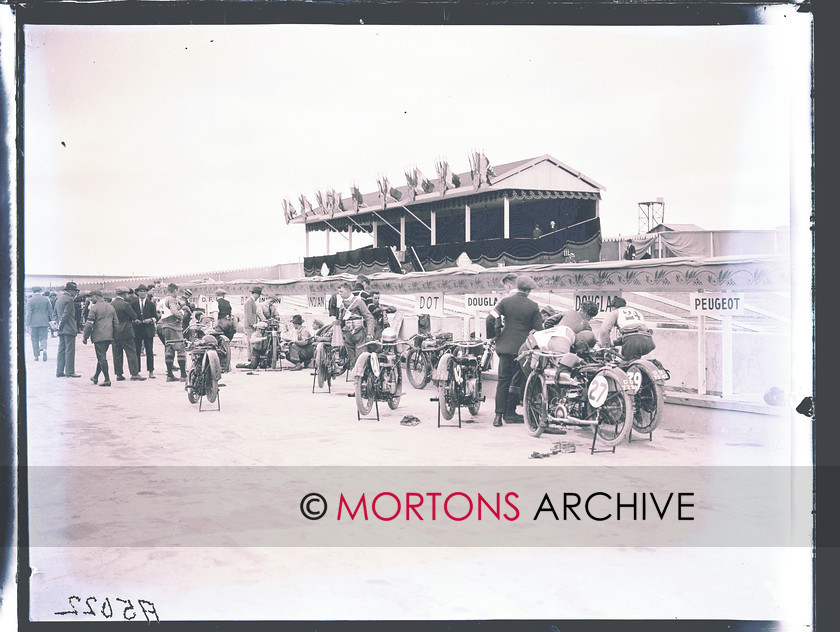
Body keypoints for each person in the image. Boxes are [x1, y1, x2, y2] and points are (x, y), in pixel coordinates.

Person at [486, 275, 543, 427]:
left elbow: (490, 319)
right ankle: (513, 413)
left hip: (505, 348)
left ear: (517, 287)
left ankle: (498, 417)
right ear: (529, 290)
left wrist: (493, 336)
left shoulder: (505, 302)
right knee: (519, 381)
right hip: (523, 350)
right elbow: (539, 330)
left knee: (503, 381)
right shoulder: (533, 306)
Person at [597, 297, 656, 361]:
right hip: (648, 341)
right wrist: (614, 342)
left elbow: (604, 331)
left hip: (632, 342)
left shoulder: (616, 312)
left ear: (613, 307)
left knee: (626, 365)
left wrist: (606, 348)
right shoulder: (636, 312)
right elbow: (634, 331)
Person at [82, 289, 118, 387]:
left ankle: (107, 379)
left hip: (98, 336)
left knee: (101, 357)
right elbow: (116, 323)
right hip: (109, 336)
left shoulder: (94, 308)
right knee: (102, 356)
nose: (90, 298)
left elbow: (89, 324)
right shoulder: (111, 307)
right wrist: (114, 336)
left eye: (91, 296)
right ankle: (96, 376)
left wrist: (85, 337)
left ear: (97, 296)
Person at [337, 281, 374, 370]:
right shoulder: (342, 305)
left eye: (341, 291)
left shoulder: (359, 302)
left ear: (348, 291)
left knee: (361, 356)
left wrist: (370, 333)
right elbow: (341, 320)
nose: (339, 294)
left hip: (359, 332)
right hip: (348, 334)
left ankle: (361, 375)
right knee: (351, 357)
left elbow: (369, 318)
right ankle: (355, 373)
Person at [111, 287, 146, 381]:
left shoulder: (112, 304)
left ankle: (119, 374)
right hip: (126, 331)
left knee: (117, 353)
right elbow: (134, 316)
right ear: (124, 294)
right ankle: (134, 373)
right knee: (131, 352)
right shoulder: (125, 304)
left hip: (115, 332)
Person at [157, 283, 188, 382]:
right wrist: (181, 314)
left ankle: (170, 375)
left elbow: (158, 312)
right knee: (181, 349)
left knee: (169, 349)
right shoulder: (172, 299)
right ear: (175, 290)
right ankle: (183, 375)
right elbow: (174, 312)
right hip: (174, 326)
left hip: (164, 326)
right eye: (177, 292)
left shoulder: (161, 301)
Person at [54, 281, 82, 378]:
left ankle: (59, 371)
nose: (75, 293)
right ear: (70, 291)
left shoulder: (58, 299)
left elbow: (55, 314)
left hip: (61, 329)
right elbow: (66, 315)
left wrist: (58, 326)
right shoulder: (69, 299)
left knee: (61, 350)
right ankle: (70, 372)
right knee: (70, 350)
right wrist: (61, 325)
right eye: (75, 291)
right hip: (69, 328)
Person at [132, 284, 158, 379]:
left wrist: (150, 320)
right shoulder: (133, 304)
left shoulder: (151, 304)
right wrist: (134, 321)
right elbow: (131, 316)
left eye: (144, 291)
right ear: (138, 292)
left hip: (148, 330)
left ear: (147, 292)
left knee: (149, 351)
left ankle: (151, 371)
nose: (142, 293)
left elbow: (156, 317)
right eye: (140, 291)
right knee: (137, 351)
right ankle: (136, 371)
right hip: (137, 330)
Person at [26, 286, 53, 362]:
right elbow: (50, 311)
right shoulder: (46, 299)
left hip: (33, 323)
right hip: (44, 322)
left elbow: (29, 313)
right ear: (40, 291)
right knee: (43, 338)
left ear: (33, 292)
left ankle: (36, 356)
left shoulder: (30, 300)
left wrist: (27, 324)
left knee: (34, 339)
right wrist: (52, 320)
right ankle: (44, 349)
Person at [243, 286, 263, 355]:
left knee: (251, 341)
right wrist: (253, 324)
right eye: (259, 295)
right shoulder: (249, 302)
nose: (259, 297)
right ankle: (251, 357)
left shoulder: (252, 301)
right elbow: (249, 314)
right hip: (249, 325)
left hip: (250, 324)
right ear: (256, 294)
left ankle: (251, 357)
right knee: (251, 341)